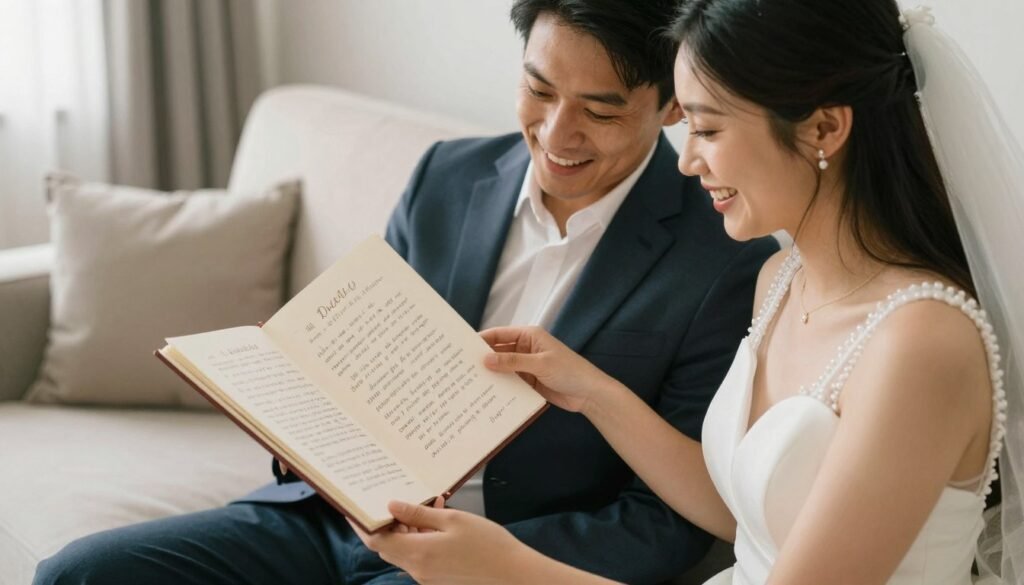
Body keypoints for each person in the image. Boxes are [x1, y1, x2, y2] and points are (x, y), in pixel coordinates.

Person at [33, 2, 778, 584]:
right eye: (538, 89)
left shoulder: (723, 263)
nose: (557, 133)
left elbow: (671, 520)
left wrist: (495, 559)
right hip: (331, 518)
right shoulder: (446, 176)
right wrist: (295, 406)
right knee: (79, 573)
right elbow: (355, 364)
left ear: (671, 105)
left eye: (600, 110)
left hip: (503, 558)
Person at [355, 1, 1024, 584]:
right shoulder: (779, 279)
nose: (685, 160)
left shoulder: (922, 345)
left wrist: (508, 567)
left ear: (823, 129)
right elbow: (743, 514)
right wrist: (590, 390)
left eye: (706, 129)